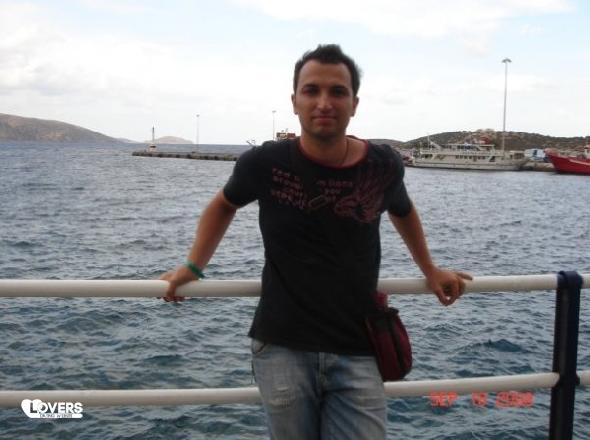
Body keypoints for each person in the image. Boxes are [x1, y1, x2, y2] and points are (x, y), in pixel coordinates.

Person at [160, 44, 471, 439]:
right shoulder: (264, 163)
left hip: (359, 346)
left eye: (337, 91)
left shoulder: (382, 165)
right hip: (282, 346)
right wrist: (193, 266)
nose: (324, 102)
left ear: (354, 104)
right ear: (295, 101)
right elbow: (223, 205)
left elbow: (403, 211)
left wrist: (430, 269)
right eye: (312, 90)